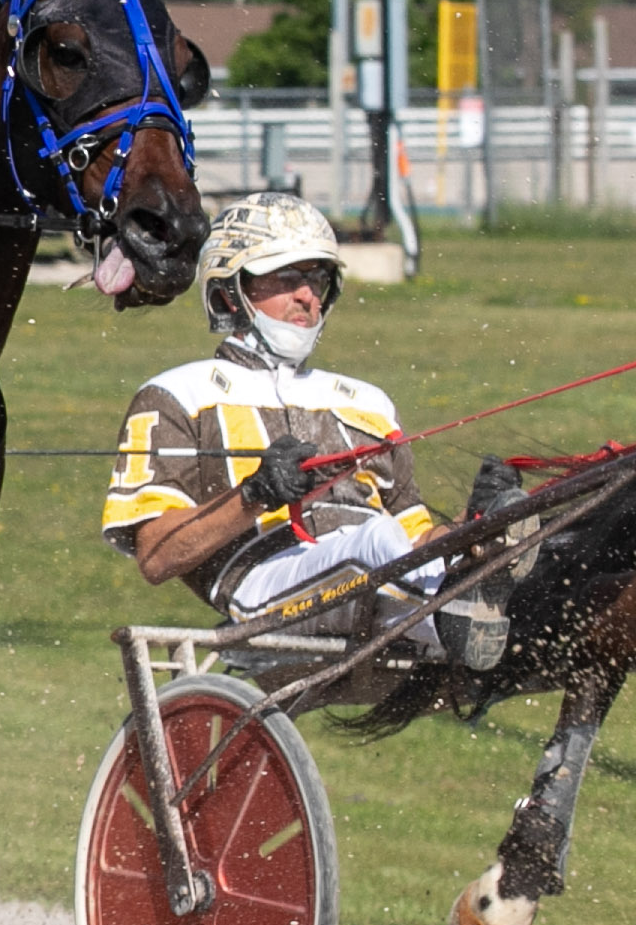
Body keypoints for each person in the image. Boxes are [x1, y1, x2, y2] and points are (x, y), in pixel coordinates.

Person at [100, 192, 506, 656]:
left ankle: (475, 591)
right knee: (375, 541)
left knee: (463, 543)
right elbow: (156, 556)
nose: (307, 296)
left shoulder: (368, 402)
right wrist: (255, 495)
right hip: (263, 590)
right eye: (286, 277)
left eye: (318, 279)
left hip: (374, 578)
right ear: (228, 291)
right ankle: (452, 624)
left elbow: (416, 540)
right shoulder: (178, 395)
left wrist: (472, 532)